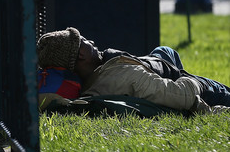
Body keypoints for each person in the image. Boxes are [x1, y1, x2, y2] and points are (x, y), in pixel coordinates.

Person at [36, 27, 230, 113]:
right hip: (197, 89)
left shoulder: (90, 84)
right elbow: (181, 95)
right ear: (80, 56)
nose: (92, 42)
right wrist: (195, 82)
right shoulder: (125, 77)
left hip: (151, 67)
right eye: (85, 42)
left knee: (163, 51)